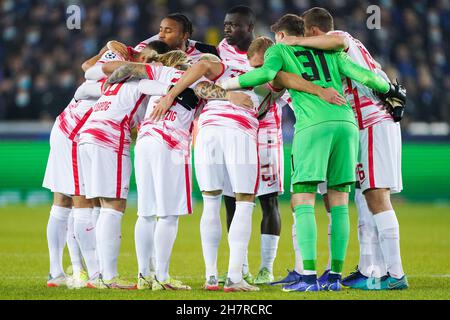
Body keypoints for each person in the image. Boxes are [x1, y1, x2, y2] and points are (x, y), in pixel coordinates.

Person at [219, 14, 406, 292]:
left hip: (314, 127)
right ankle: (333, 277)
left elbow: (265, 76)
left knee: (302, 198)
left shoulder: (280, 51)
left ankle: (307, 277)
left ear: (283, 37)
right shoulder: (331, 51)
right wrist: (391, 89)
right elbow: (363, 74)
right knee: (340, 201)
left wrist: (225, 86)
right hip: (347, 123)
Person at [280, 7, 407, 290]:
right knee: (363, 198)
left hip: (372, 121)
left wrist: (294, 42)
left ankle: (396, 274)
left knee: (375, 194)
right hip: (362, 126)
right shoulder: (337, 58)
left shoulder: (340, 39)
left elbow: (337, 40)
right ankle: (369, 268)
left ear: (313, 32)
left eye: (306, 36)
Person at [43, 41, 130, 288]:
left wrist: (105, 48)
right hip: (75, 132)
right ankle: (93, 274)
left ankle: (59, 272)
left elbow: (87, 65)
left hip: (67, 126)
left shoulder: (110, 63)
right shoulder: (120, 73)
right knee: (81, 202)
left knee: (63, 202)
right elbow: (89, 74)